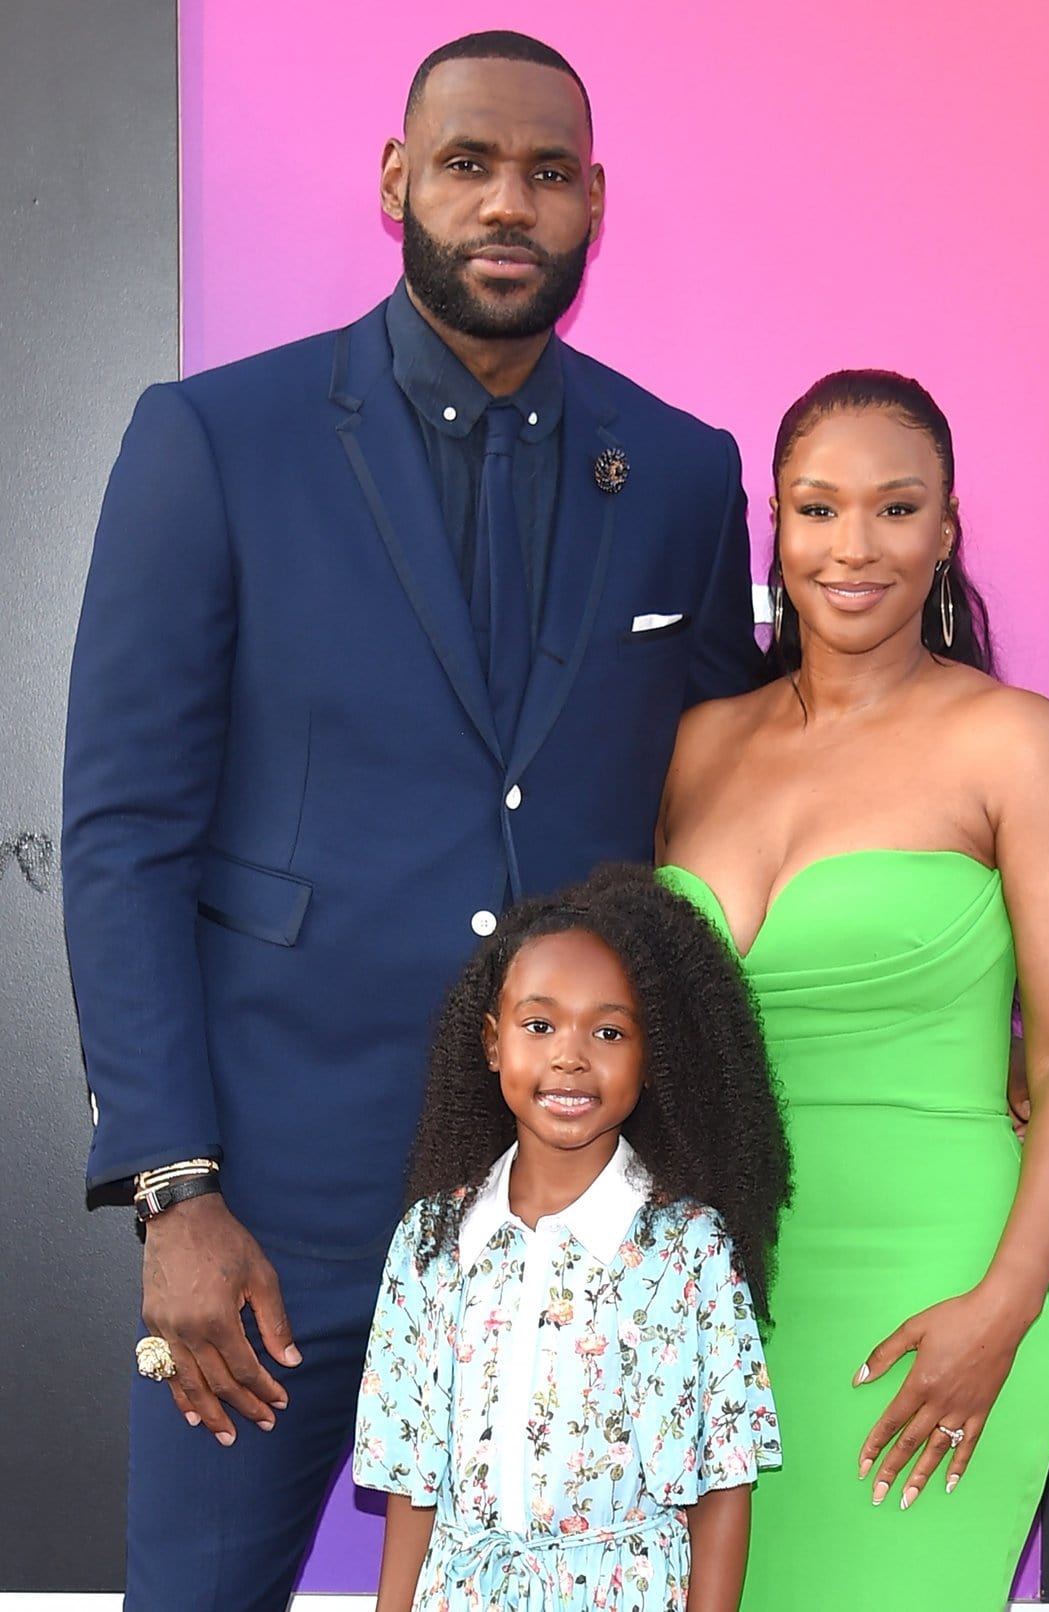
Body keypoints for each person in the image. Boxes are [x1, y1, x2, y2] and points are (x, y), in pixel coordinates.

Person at [61, 31, 760, 1611]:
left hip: (576, 1225)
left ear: (593, 203)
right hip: (272, 1229)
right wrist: (178, 1192)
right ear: (397, 184)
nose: (508, 202)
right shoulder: (216, 442)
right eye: (468, 163)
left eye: (548, 172)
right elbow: (123, 835)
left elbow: (729, 806)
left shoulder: (681, 479)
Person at [657, 370, 1049, 1609]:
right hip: (720, 1308)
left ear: (948, 528)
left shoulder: (1019, 745)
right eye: (817, 510)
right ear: (776, 524)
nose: (852, 548)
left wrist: (1007, 1304)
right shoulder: (700, 744)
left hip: (940, 1295)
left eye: (895, 508)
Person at [353, 864, 789, 1611]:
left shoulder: (688, 1250)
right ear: (493, 1042)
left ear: (653, 1058)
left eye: (610, 1030)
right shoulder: (430, 1243)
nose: (570, 1055)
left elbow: (724, 1486)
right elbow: (412, 1482)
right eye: (540, 1024)